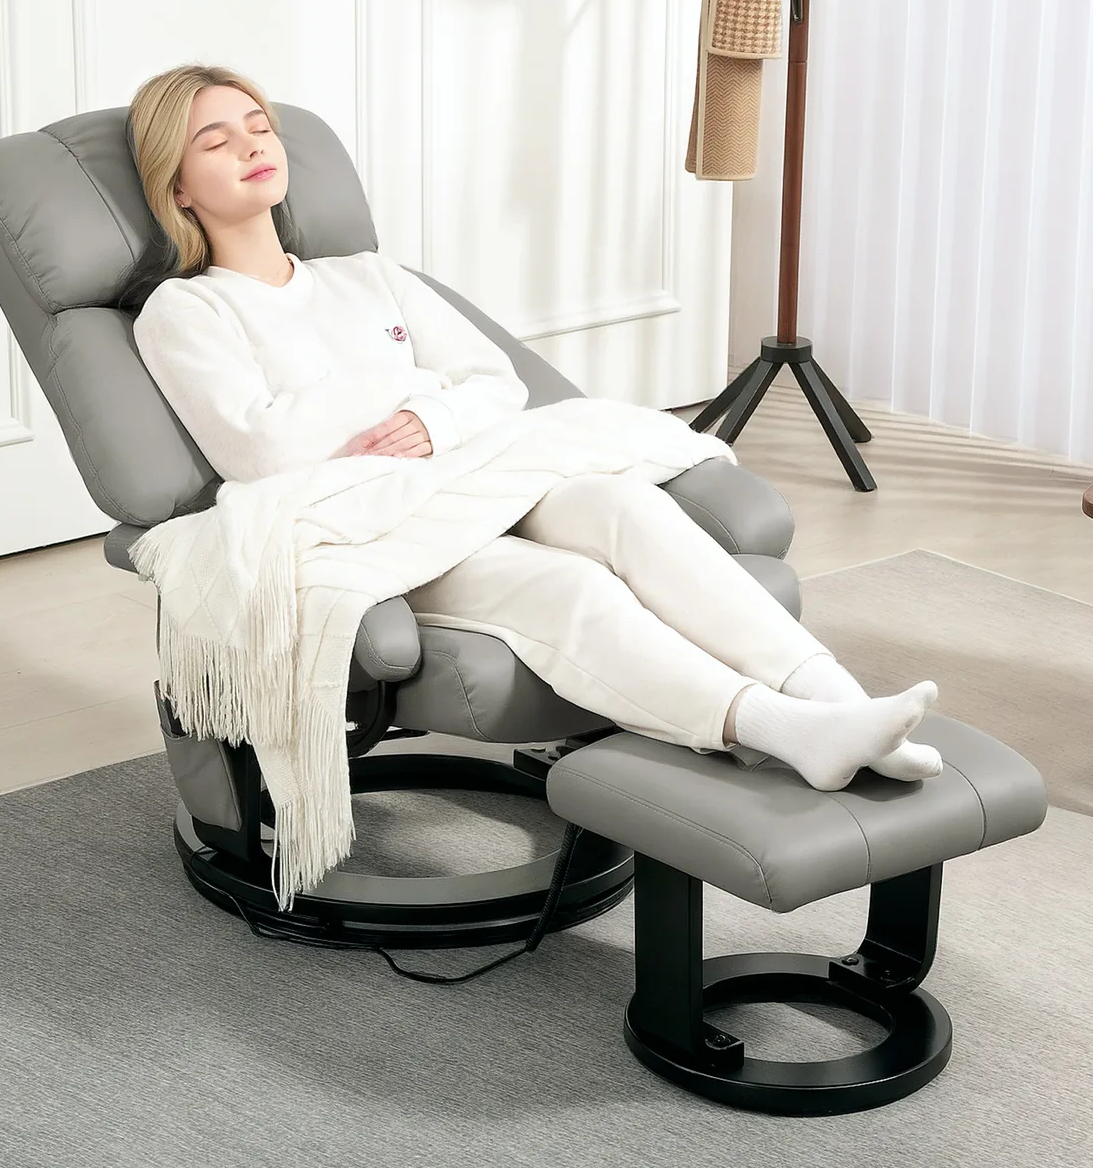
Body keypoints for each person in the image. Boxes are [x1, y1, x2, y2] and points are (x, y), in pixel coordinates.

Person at [124, 63, 943, 794]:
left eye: (259, 127)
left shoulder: (370, 276)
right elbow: (262, 450)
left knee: (623, 505)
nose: (250, 146)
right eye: (215, 142)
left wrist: (428, 414)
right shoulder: (185, 310)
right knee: (571, 587)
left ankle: (840, 703)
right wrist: (411, 385)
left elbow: (495, 385)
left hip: (471, 473)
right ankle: (788, 732)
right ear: (179, 188)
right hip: (371, 526)